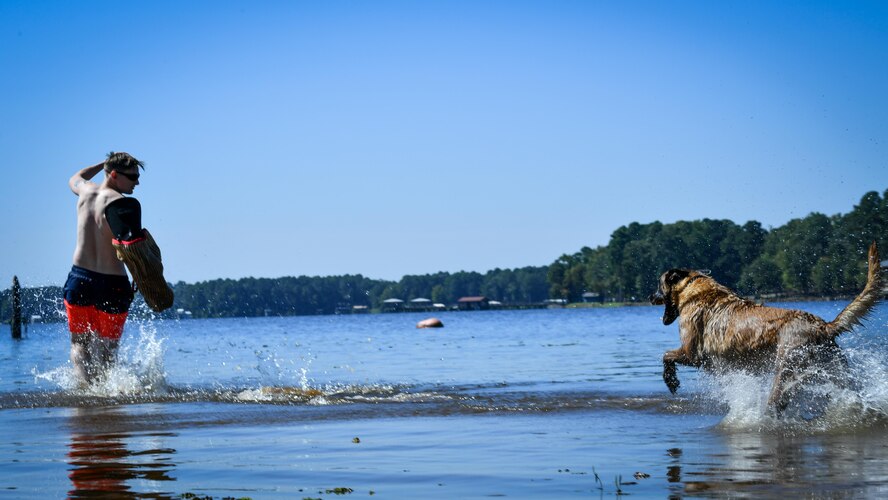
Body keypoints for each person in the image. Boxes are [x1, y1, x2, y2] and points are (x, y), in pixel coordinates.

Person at [63, 152, 145, 384]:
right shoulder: (123, 204)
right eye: (132, 177)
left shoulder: (85, 191)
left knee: (79, 344)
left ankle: (85, 395)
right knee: (109, 349)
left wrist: (104, 164)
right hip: (113, 283)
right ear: (115, 175)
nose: (136, 182)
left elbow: (75, 177)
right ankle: (105, 398)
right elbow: (133, 247)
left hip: (80, 278)